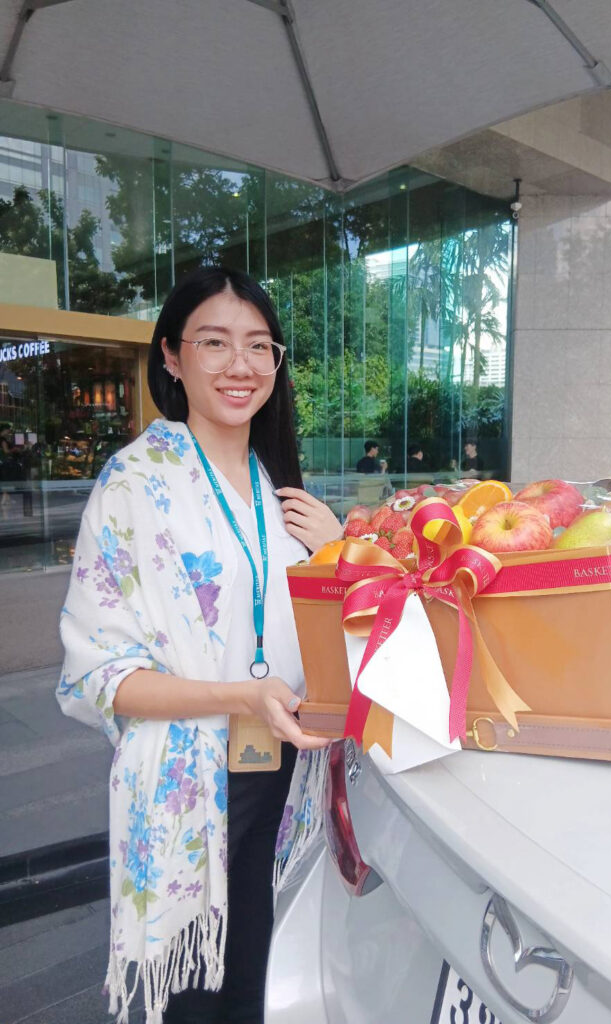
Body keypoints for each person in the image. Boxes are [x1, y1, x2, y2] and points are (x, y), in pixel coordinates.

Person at [56, 267, 342, 1024]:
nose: (240, 364)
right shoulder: (133, 485)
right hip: (189, 786)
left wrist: (343, 557)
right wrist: (239, 695)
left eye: (258, 345)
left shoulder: (282, 493)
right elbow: (101, 677)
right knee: (189, 1003)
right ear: (173, 358)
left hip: (286, 779)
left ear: (277, 364)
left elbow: (335, 637)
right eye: (214, 342)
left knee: (261, 985)